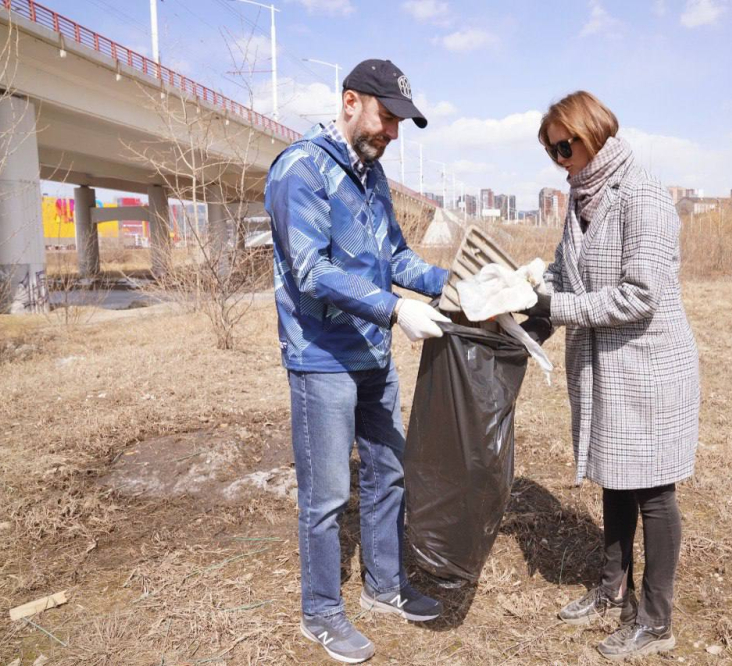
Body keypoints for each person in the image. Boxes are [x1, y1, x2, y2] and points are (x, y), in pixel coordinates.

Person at [264, 59, 450, 664]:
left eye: (399, 122)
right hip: (322, 359)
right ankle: (320, 613)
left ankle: (385, 587)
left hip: (372, 354)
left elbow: (395, 257)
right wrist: (396, 313)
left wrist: (455, 286)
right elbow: (312, 272)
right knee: (325, 496)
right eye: (387, 116)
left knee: (388, 472)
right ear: (350, 101)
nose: (393, 132)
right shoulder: (302, 171)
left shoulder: (370, 176)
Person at [524, 91, 700, 660]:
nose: (560, 158)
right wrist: (525, 304)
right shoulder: (580, 199)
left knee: (653, 490)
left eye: (565, 145)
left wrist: (557, 308)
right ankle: (610, 589)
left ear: (592, 131)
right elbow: (563, 274)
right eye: (551, 151)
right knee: (615, 476)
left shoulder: (642, 194)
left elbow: (640, 297)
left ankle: (656, 620)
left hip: (647, 367)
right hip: (605, 369)